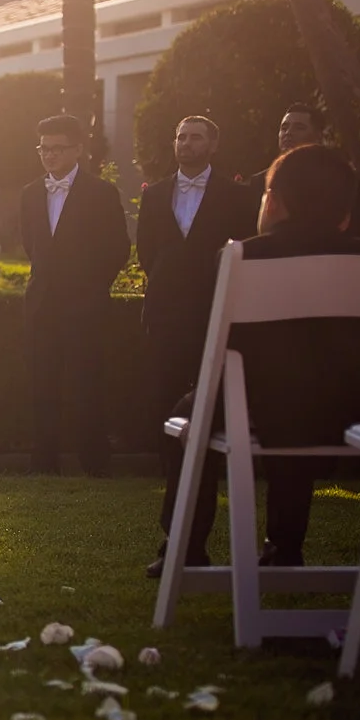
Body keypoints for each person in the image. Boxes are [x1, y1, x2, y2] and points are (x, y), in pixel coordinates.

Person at [153, 145, 360, 574]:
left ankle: (185, 545)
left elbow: (222, 345)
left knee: (191, 413)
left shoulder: (246, 256)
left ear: (275, 201)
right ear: (345, 212)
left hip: (266, 407)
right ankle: (284, 545)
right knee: (301, 390)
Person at [137, 114, 261, 535]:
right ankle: (169, 471)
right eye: (180, 137)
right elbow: (146, 253)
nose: (186, 144)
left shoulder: (237, 195)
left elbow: (244, 248)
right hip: (166, 313)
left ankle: (211, 469)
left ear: (213, 144)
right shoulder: (154, 195)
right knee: (164, 395)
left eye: (195, 138)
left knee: (211, 397)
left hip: (214, 310)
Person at [17, 113, 133, 476]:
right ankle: (44, 461)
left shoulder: (101, 193)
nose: (49, 155)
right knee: (42, 386)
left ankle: (94, 461)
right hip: (41, 306)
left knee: (88, 384)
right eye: (43, 148)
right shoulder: (30, 194)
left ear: (79, 149)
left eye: (57, 148)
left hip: (86, 308)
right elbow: (32, 247)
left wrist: (90, 290)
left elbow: (117, 249)